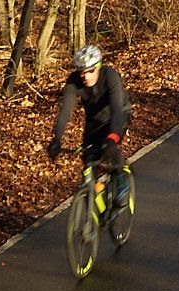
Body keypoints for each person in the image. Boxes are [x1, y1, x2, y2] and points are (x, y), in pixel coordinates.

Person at [47, 44, 130, 229]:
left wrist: (113, 138)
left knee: (110, 147)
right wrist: (57, 140)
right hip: (94, 120)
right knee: (88, 159)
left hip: (118, 114)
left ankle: (121, 180)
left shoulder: (111, 76)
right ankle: (96, 199)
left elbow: (117, 110)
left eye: (90, 71)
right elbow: (65, 112)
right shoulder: (74, 82)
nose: (85, 76)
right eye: (82, 72)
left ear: (98, 67)